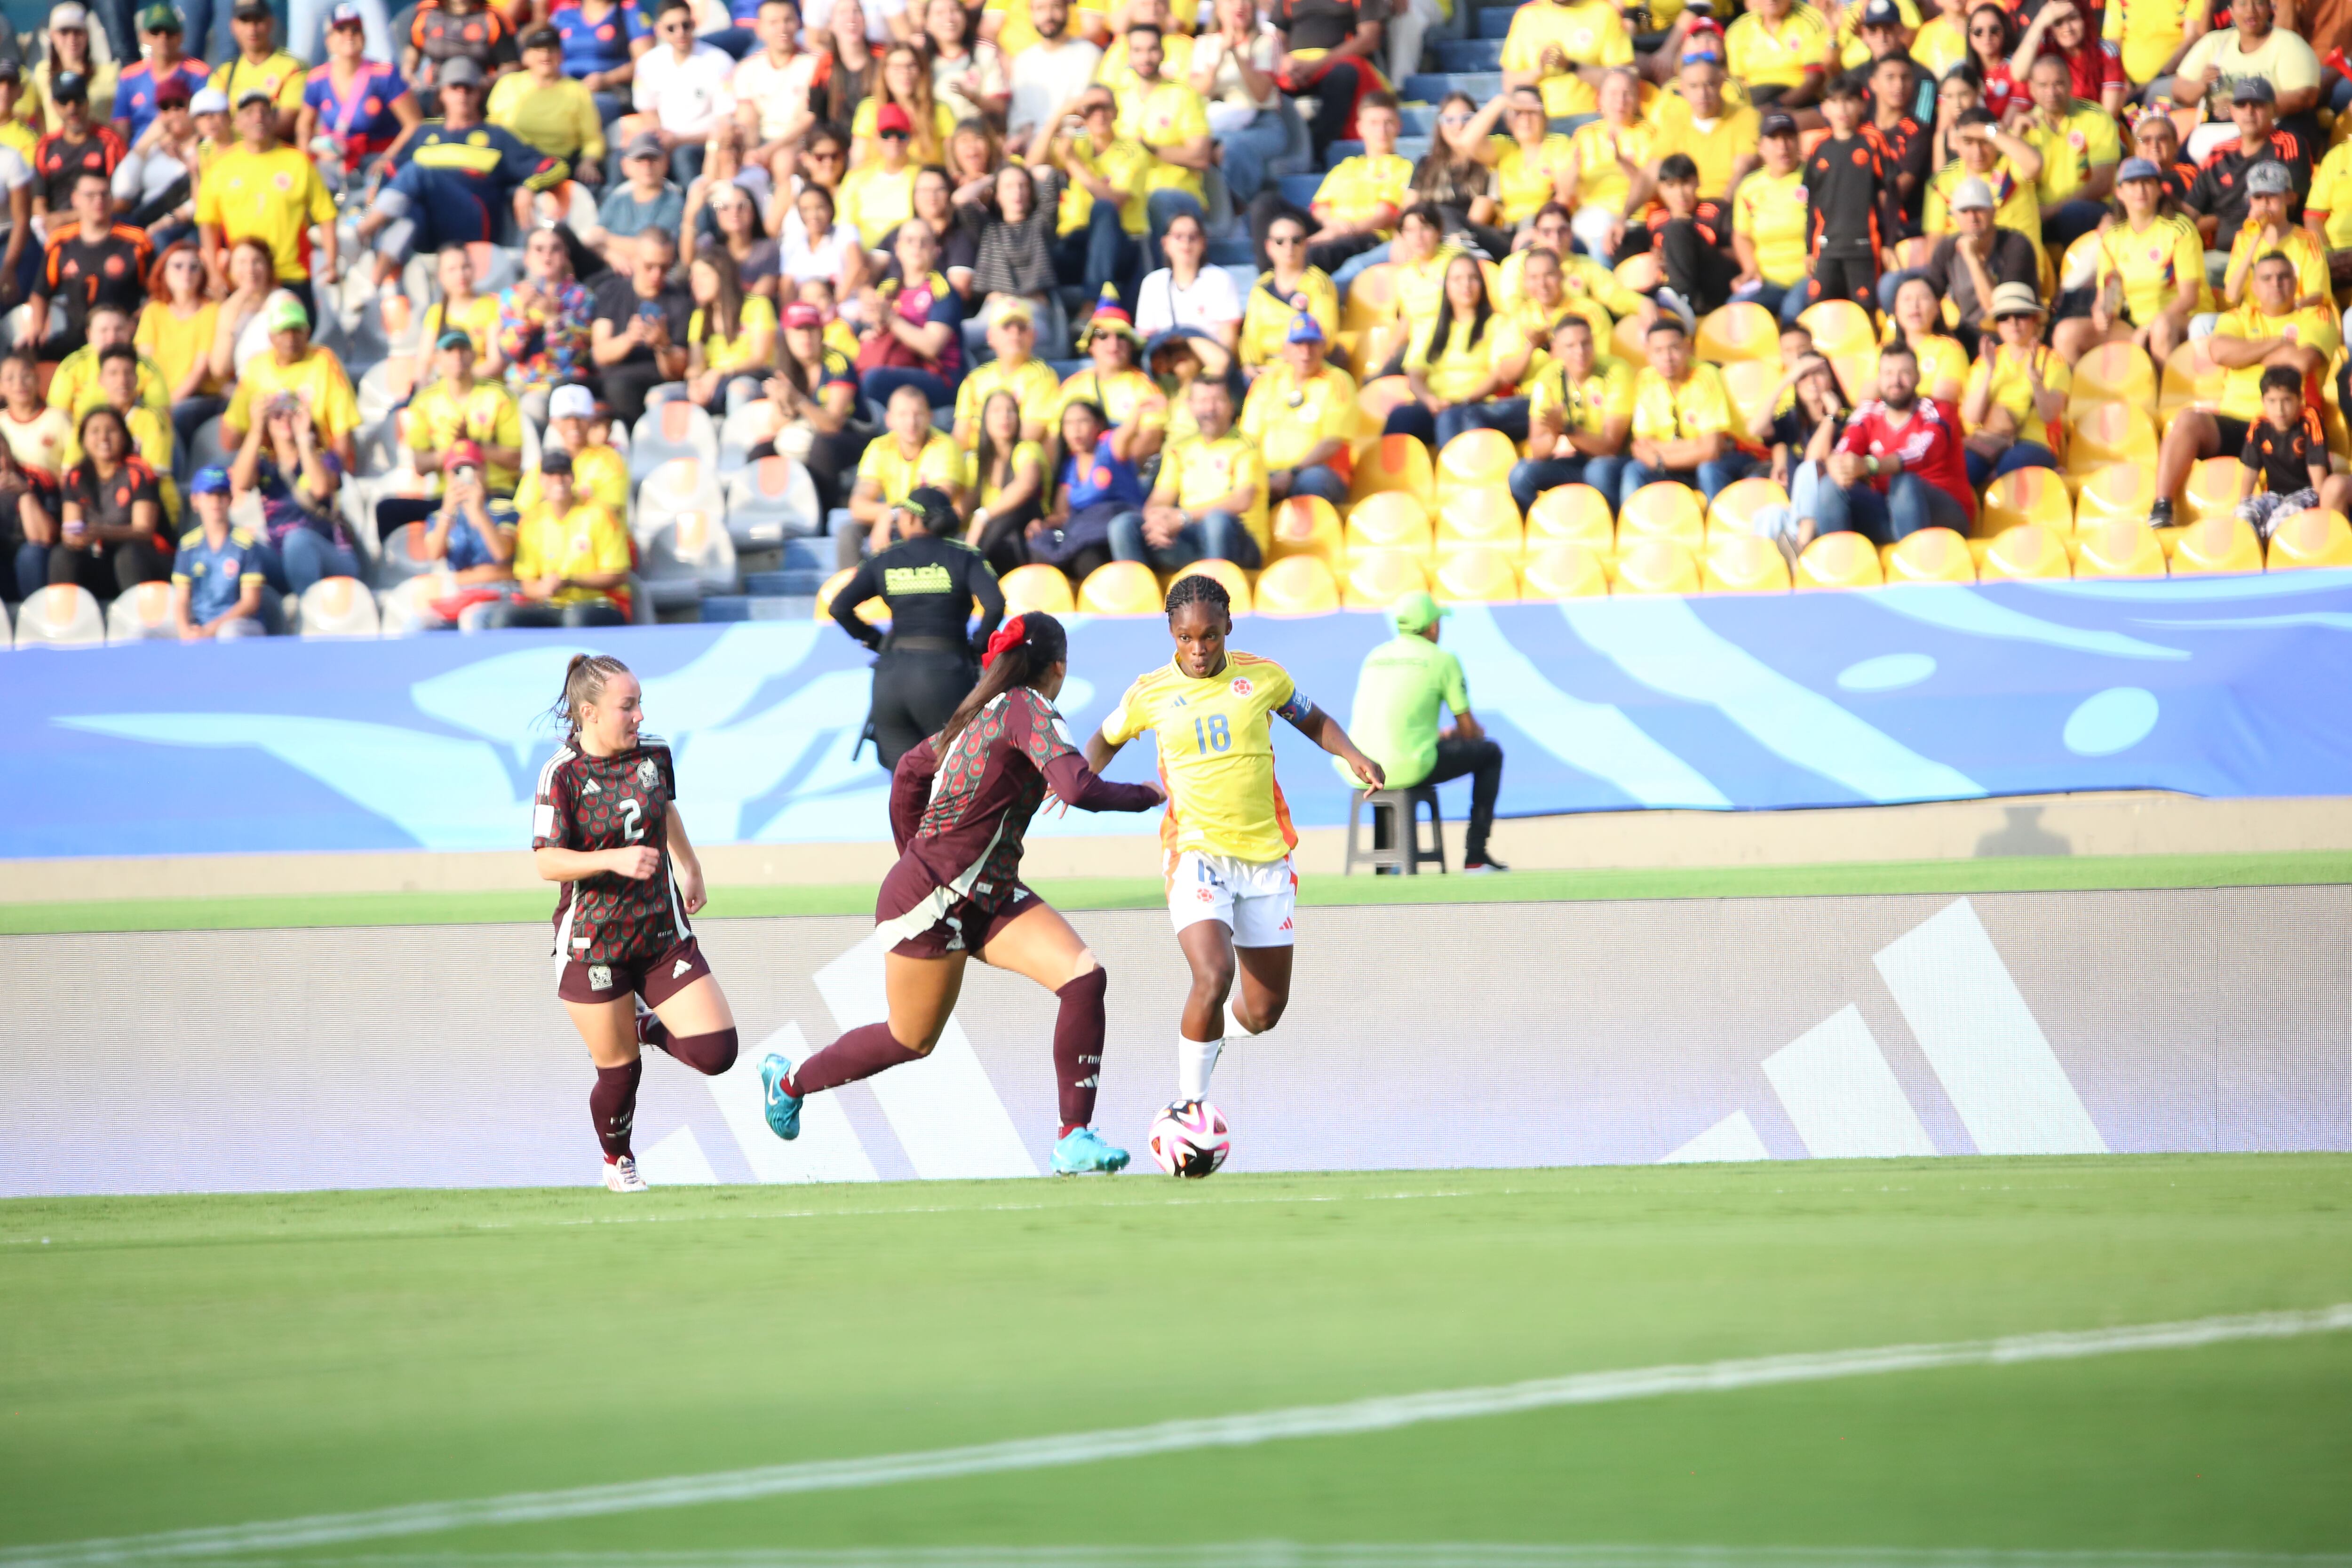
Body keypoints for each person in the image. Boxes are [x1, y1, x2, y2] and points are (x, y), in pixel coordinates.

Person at [757, 610, 1161, 1175]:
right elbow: (1075, 787)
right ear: (1059, 668)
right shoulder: (1029, 708)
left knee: (1083, 978)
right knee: (911, 1039)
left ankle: (1073, 1138)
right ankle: (788, 1080)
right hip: (931, 901)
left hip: (979, 892)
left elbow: (907, 776)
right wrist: (1144, 795)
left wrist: (916, 853)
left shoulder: (976, 715)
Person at [1086, 573, 1383, 1106]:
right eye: (1185, 638)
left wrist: (1352, 754)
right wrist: (1075, 783)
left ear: (1227, 626)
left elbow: (1313, 721)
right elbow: (1103, 741)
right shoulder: (1149, 692)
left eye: (1209, 637)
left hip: (1266, 858)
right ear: (1171, 633)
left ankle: (1206, 1035)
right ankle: (1188, 1106)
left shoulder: (1262, 677)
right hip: (1195, 852)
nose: (1197, 650)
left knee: (1264, 1012)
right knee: (1213, 973)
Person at [532, 653, 740, 1194]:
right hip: (593, 945)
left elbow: (662, 807)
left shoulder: (654, 756)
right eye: (628, 706)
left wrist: (689, 865)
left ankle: (642, 1022)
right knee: (620, 1072)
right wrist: (612, 859)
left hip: (660, 936)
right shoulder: (563, 774)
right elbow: (546, 862)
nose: (640, 716)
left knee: (717, 1054)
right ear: (589, 713)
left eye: (640, 703)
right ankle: (616, 1159)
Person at [2148, 251, 2338, 528]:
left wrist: (2245, 355)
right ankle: (2161, 508)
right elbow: (2219, 352)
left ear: (2295, 282)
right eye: (2267, 278)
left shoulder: (2316, 316)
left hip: (2289, 426)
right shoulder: (2237, 317)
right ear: (2255, 286)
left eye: (2284, 277)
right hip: (2239, 423)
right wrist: (2278, 344)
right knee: (2188, 420)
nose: (2276, 284)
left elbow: (2302, 362)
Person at [831, 484, 1005, 771]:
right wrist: (978, 646)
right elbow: (996, 604)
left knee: (905, 792)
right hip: (946, 674)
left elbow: (839, 607)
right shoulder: (964, 556)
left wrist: (875, 641)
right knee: (952, 783)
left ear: (912, 519)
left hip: (891, 679)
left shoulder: (885, 558)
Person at [1343, 591, 1506, 874]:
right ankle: (1476, 856)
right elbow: (1469, 731)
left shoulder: (1376, 657)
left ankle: (1387, 863)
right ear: (1433, 627)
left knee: (1385, 760)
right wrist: (1464, 732)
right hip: (1411, 765)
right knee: (1491, 753)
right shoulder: (1443, 660)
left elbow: (1388, 725)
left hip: (1359, 766)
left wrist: (1436, 736)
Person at [1817, 340, 1974, 541]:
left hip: (1945, 514)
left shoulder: (1938, 411)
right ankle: (1840, 566)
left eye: (1905, 373)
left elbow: (1920, 453)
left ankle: (1912, 567)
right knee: (1831, 486)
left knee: (1904, 482)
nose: (1896, 381)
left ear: (1918, 378)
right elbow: (1844, 450)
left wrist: (1868, 465)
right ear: (1879, 380)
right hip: (1889, 512)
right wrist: (1838, 466)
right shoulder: (1868, 413)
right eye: (1889, 374)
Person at [2054, 155, 2204, 364]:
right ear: (2120, 193)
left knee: (2161, 327)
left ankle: (2165, 393)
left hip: (2180, 321)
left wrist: (2149, 328)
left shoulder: (2179, 229)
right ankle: (2083, 392)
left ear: (2160, 189)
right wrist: (2101, 311)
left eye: (2147, 182)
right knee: (2065, 333)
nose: (2140, 190)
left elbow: (2189, 298)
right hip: (2136, 324)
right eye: (2132, 184)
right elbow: (2109, 292)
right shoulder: (2113, 237)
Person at [1383, 252, 1528, 449]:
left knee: (1450, 418)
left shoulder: (1497, 323)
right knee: (1401, 416)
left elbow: (1498, 376)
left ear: (1482, 285)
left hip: (1477, 404)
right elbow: (1415, 375)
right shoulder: (1431, 326)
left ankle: (1454, 479)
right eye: (1458, 279)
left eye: (1473, 278)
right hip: (1437, 404)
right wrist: (1431, 401)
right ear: (1446, 286)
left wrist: (1465, 400)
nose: (1466, 285)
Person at [1118, 376, 1263, 570]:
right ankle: (1140, 596)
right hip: (1191, 534)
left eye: (1218, 401)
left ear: (1231, 405)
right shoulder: (1180, 449)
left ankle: (1218, 591)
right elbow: (1159, 499)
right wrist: (1158, 522)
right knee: (1125, 525)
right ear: (1191, 407)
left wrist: (1182, 517)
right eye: (1203, 402)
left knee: (1216, 521)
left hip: (1238, 541)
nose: (1210, 409)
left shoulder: (1246, 447)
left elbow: (1242, 500)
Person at [231, 386, 358, 591]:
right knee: (238, 544)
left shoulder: (326, 458)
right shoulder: (265, 466)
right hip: (282, 560)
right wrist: (256, 429)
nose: (284, 420)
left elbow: (320, 489)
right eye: (277, 415)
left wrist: (304, 438)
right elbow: (240, 482)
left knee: (297, 540)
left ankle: (307, 612)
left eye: (292, 414)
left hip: (332, 558)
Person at [495, 447, 634, 627]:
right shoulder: (531, 521)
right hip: (553, 605)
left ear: (573, 477)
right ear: (541, 480)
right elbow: (527, 582)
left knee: (576, 618)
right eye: (551, 474)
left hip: (600, 603)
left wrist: (570, 581)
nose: (558, 480)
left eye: (564, 473)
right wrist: (544, 588)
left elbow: (618, 574)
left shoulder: (600, 514)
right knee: (505, 619)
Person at [1620, 314, 1749, 508]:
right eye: (1658, 351)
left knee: (1709, 469)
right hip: (1686, 459)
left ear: (1689, 348)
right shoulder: (1646, 380)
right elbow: (1642, 446)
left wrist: (1660, 461)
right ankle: (1635, 531)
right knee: (1634, 470)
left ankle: (1718, 527)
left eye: (1675, 348)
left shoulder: (1706, 376)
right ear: (1648, 354)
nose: (1667, 358)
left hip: (1731, 455)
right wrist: (1695, 446)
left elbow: (1711, 451)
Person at [1510, 311, 1632, 514]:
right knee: (1521, 474)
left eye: (1586, 343)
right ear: (1555, 350)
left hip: (1613, 460)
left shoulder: (1616, 371)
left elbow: (1611, 447)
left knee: (1599, 470)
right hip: (1574, 459)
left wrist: (1567, 430)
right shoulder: (1548, 378)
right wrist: (1554, 435)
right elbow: (1538, 449)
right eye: (1571, 346)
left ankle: (1610, 530)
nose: (1580, 352)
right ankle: (1543, 528)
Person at [1280, 88, 1406, 284]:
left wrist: (1341, 231)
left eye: (1388, 123)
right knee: (1268, 207)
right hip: (1333, 228)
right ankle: (1273, 287)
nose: (1381, 131)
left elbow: (1384, 216)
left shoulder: (1403, 167)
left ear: (1398, 127)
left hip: (1368, 236)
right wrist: (1331, 224)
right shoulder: (1347, 166)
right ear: (1360, 128)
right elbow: (1320, 208)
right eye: (1373, 123)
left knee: (1315, 254)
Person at [221, 294, 360, 467]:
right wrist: (257, 426)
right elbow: (231, 437)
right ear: (271, 337)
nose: (291, 339)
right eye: (284, 332)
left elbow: (343, 431)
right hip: (269, 467)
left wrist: (336, 473)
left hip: (318, 461)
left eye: (296, 330)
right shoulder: (256, 368)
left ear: (308, 332)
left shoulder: (324, 362)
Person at [1798, 75, 1896, 317]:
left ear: (1862, 105)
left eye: (1849, 101)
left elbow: (1890, 197)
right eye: (1835, 101)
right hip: (1827, 246)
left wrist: (1889, 243)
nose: (1842, 108)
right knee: (1819, 309)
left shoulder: (1872, 141)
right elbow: (1812, 203)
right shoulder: (1818, 147)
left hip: (1864, 246)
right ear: (1825, 108)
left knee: (1865, 311)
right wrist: (1809, 249)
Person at [1239, 310, 1355, 512]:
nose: (1306, 352)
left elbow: (1332, 442)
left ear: (1324, 347)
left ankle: (1312, 542)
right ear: (1285, 349)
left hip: (1319, 471)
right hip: (1269, 471)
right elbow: (1249, 439)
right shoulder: (1266, 382)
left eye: (1312, 344)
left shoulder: (1338, 381)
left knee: (1312, 481)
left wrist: (1291, 473)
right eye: (1298, 344)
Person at [51, 402, 168, 598]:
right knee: (63, 554)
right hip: (101, 560)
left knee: (128, 555)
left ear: (124, 436)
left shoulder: (139, 472)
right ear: (84, 440)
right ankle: (64, 621)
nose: (103, 438)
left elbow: (144, 531)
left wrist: (100, 532)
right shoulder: (76, 476)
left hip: (145, 559)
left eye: (111, 430)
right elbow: (70, 529)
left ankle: (138, 621)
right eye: (95, 432)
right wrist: (75, 538)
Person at [1959, 280, 2068, 488]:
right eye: (2004, 317)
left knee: (2010, 467)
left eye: (2021, 315)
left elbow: (2050, 415)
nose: (2013, 323)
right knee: (1962, 470)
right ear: (1998, 325)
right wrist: (1989, 372)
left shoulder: (2052, 360)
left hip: (2035, 443)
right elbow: (1972, 417)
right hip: (1990, 443)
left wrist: (2036, 380)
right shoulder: (1985, 361)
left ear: (2035, 318)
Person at [1911, 174, 2037, 352]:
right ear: (1955, 216)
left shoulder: (2016, 245)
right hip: (1968, 334)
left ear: (1993, 211)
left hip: (2012, 334)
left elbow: (1998, 310)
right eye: (1965, 211)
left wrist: (1972, 259)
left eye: (1979, 209)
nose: (1973, 218)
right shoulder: (1948, 248)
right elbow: (1931, 293)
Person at [30, 167, 150, 355]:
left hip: (121, 340)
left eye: (104, 194)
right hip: (76, 338)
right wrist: (37, 330)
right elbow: (40, 292)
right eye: (90, 195)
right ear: (75, 199)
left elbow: (157, 293)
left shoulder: (136, 241)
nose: (98, 201)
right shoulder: (60, 241)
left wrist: (132, 323)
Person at [2183, 77, 2308, 257]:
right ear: (2233, 111)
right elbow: (2189, 214)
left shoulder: (2288, 143)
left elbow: (2288, 205)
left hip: (2274, 250)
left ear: (2274, 110)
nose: (2249, 111)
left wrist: (2223, 222)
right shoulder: (2218, 154)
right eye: (2242, 105)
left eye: (2258, 105)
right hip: (2223, 254)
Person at [298, 4, 418, 189]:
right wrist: (308, 158)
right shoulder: (317, 78)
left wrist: (388, 158)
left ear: (365, 37)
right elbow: (305, 125)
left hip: (378, 160)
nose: (349, 35)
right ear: (328, 40)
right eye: (341, 29)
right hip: (334, 162)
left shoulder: (384, 75)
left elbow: (414, 124)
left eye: (356, 29)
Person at [2013, 52, 2117, 256]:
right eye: (2043, 86)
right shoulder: (2024, 126)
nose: (2051, 92)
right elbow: (2011, 185)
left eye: (2058, 84)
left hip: (2089, 210)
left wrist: (2051, 211)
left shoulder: (2095, 117)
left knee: (2073, 213)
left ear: (2071, 84)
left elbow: (2102, 183)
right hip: (2038, 215)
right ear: (2032, 90)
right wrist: (2016, 137)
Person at [2233, 363, 2352, 536]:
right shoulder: (2259, 425)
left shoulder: (2310, 420)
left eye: (2286, 400)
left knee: (2279, 524)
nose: (2280, 409)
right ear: (2263, 402)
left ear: (2299, 399)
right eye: (2272, 401)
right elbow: (2251, 470)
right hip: (2274, 495)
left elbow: (2316, 470)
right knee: (2244, 517)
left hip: (2306, 493)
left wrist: (2320, 507)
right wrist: (2242, 504)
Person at [763, 300, 861, 511]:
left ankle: (824, 515)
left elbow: (833, 425)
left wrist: (798, 400)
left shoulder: (837, 364)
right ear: (787, 336)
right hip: (807, 431)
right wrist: (786, 406)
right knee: (761, 450)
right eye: (798, 331)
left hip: (853, 433)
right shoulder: (786, 367)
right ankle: (767, 511)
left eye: (811, 330)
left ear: (822, 334)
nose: (805, 337)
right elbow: (774, 424)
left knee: (823, 447)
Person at [589, 228, 691, 429]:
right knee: (566, 386)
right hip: (608, 375)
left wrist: (663, 345)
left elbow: (677, 373)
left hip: (650, 378)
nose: (657, 275)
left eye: (664, 268)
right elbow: (599, 353)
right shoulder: (612, 292)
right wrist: (629, 338)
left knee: (620, 387)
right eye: (649, 266)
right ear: (635, 259)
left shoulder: (680, 301)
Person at [491, 227, 594, 423]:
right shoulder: (512, 296)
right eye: (539, 249)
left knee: (531, 409)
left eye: (555, 249)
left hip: (561, 383)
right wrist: (522, 317)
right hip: (520, 382)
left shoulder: (581, 296)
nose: (547, 256)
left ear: (565, 256)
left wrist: (552, 318)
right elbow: (510, 353)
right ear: (527, 257)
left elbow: (576, 356)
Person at [850, 380, 963, 554]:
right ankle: (852, 580)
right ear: (889, 420)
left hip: (933, 528)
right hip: (896, 523)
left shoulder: (945, 446)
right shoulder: (879, 447)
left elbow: (937, 502)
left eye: (918, 414)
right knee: (849, 533)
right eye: (903, 415)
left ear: (930, 417)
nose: (911, 422)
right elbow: (858, 505)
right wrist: (888, 514)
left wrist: (892, 514)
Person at [407, 327, 525, 495]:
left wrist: (472, 445)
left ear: (473, 355)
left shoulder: (500, 397)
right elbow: (421, 465)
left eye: (463, 350)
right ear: (437, 358)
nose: (457, 357)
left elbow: (514, 458)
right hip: (447, 495)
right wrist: (458, 448)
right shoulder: (423, 402)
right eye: (450, 351)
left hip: (495, 490)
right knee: (388, 510)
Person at [1269, 0, 1388, 165]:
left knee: (1344, 76)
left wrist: (1317, 65)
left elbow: (1369, 38)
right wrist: (1283, 61)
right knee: (1265, 83)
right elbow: (1277, 36)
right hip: (1294, 67)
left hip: (1338, 63)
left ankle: (1319, 152)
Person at [1188, 0, 1283, 203]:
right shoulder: (1205, 43)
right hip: (1216, 120)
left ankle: (1239, 205)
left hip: (1261, 123)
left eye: (1246, 2)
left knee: (1229, 148)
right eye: (1231, 2)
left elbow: (1261, 94)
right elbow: (1197, 92)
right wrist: (1221, 55)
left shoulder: (1267, 41)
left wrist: (1237, 55)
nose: (1239, 7)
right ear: (1219, 10)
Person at [2168, 0, 2319, 126]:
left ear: (2270, 9)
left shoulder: (2289, 44)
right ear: (2231, 11)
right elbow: (2179, 90)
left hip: (2276, 128)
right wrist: (2202, 84)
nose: (2251, 11)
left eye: (2259, 3)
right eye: (2242, 4)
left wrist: (2239, 107)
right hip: (2220, 128)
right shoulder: (2214, 43)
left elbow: (2305, 97)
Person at [489, 26, 602, 179]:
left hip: (558, 165)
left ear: (561, 55)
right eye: (538, 50)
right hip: (513, 162)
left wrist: (588, 163)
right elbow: (492, 127)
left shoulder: (578, 91)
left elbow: (592, 140)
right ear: (525, 56)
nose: (546, 55)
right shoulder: (508, 84)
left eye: (552, 49)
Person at [168, 464, 268, 639]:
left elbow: (250, 602)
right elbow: (182, 598)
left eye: (221, 495)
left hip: (240, 625)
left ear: (230, 499)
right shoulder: (188, 546)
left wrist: (210, 630)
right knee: (146, 634)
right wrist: (185, 631)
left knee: (229, 633)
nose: (215, 502)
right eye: (208, 495)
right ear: (195, 501)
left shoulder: (245, 544)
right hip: (198, 623)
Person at [135, 242, 217, 455]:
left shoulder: (211, 311)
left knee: (173, 419)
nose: (186, 273)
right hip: (157, 397)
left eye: (194, 267)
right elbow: (146, 364)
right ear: (163, 272)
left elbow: (200, 370)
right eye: (178, 266)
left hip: (195, 397)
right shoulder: (153, 311)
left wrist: (168, 404)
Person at [1732, 109, 1812, 324]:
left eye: (1788, 138)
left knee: (1792, 310)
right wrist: (1750, 269)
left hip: (1810, 276)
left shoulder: (1815, 178)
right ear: (1761, 148)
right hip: (1769, 280)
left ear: (1798, 142)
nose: (1783, 146)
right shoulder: (1749, 188)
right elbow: (1742, 235)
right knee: (1737, 308)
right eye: (1774, 139)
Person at [1238, 207, 1339, 372]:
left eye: (1296, 240)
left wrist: (1290, 365)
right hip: (1263, 371)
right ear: (1269, 246)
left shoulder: (1319, 283)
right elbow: (1250, 335)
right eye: (1280, 241)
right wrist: (1249, 366)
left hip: (1304, 368)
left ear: (1306, 244)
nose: (1289, 247)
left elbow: (1326, 336)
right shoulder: (1261, 287)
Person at [953, 294, 1058, 447]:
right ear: (991, 336)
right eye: (1007, 327)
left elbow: (1029, 435)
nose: (1015, 333)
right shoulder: (974, 379)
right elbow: (960, 439)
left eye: (1022, 327)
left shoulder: (1043, 376)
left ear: (1033, 336)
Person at [2220, 161, 2328, 310]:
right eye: (2258, 197)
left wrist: (2281, 311)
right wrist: (2255, 240)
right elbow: (2232, 297)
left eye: (2272, 196)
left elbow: (2317, 295)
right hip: (2254, 322)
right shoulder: (2244, 239)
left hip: (2296, 317)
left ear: (2289, 197)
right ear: (2251, 201)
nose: (2264, 204)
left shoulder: (2308, 240)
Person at [1500, 0, 1632, 120]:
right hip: (1539, 121)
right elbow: (1510, 84)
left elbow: (1624, 80)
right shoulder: (1528, 16)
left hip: (1593, 119)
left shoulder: (1604, 12)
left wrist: (1572, 66)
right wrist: (1540, 70)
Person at [683, 242, 776, 414]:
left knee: (737, 390)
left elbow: (759, 358)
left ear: (723, 275)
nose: (696, 283)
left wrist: (721, 372)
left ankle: (736, 441)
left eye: (704, 275)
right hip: (712, 381)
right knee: (659, 396)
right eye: (693, 277)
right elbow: (696, 365)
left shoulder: (757, 305)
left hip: (751, 377)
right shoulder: (699, 317)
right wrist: (695, 384)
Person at [1004, 0, 1101, 163]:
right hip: (1034, 150)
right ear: (1031, 13)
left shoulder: (1089, 54)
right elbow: (1023, 117)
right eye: (1040, 9)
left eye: (1055, 7)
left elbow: (1081, 113)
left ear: (1067, 10)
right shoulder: (1023, 61)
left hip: (1075, 149)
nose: (1048, 16)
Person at [963, 386, 1043, 573]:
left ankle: (969, 571)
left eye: (1010, 411)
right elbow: (964, 504)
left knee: (1014, 510)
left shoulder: (1028, 449)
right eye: (997, 411)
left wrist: (982, 516)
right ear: (984, 419)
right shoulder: (976, 460)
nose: (1004, 417)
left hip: (1023, 533)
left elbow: (1026, 485)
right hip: (990, 538)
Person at [415, 446, 517, 588]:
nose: (464, 476)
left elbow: (502, 554)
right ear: (448, 475)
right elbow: (434, 555)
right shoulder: (439, 516)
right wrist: (447, 510)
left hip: (501, 588)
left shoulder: (505, 508)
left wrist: (479, 512)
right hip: (461, 590)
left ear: (484, 471)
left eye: (471, 468)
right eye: (457, 471)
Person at [114, 2, 209, 150]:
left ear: (181, 36)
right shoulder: (129, 76)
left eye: (169, 32)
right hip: (141, 152)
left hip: (185, 147)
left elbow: (206, 122)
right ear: (144, 36)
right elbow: (121, 127)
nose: (163, 38)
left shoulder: (199, 73)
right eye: (156, 32)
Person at [208, 0, 305, 139]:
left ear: (271, 23)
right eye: (245, 21)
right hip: (233, 155)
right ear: (234, 26)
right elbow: (213, 123)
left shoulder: (293, 69)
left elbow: (285, 124)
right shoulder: (222, 74)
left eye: (258, 20)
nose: (252, 29)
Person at [554, 0, 655, 126]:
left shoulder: (627, 9)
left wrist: (607, 79)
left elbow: (647, 61)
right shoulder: (565, 11)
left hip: (611, 91)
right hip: (567, 89)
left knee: (581, 110)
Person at [589, 134, 686, 264]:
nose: (647, 166)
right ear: (625, 166)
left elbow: (655, 249)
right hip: (613, 266)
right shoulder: (619, 195)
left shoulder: (674, 200)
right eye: (639, 160)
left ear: (666, 163)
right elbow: (594, 237)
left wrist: (607, 240)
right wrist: (610, 255)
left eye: (653, 160)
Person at [1725, 0, 1831, 110]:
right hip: (1754, 100)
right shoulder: (1739, 29)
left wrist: (1776, 106)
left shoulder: (1812, 21)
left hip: (1798, 100)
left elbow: (1815, 80)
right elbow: (1735, 82)